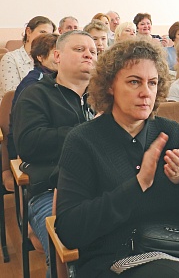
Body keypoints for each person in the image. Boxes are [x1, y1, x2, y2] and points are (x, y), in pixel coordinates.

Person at [55, 39, 179, 278]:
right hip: (114, 260)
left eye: (152, 83)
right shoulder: (83, 141)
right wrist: (138, 185)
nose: (146, 92)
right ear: (110, 85)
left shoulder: (172, 133)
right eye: (134, 82)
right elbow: (69, 230)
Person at [12, 30, 97, 275]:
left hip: (104, 186)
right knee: (72, 259)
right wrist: (89, 132)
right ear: (57, 56)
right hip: (52, 189)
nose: (88, 55)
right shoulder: (35, 94)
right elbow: (29, 144)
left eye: (93, 51)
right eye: (79, 49)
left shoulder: (105, 97)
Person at [6, 33, 58, 161]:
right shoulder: (33, 84)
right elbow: (31, 137)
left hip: (51, 145)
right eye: (55, 53)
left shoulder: (60, 80)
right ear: (40, 57)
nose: (59, 57)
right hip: (27, 151)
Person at [0, 15, 56, 103]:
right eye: (42, 32)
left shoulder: (51, 61)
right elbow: (10, 94)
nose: (45, 37)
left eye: (49, 34)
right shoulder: (11, 58)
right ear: (28, 32)